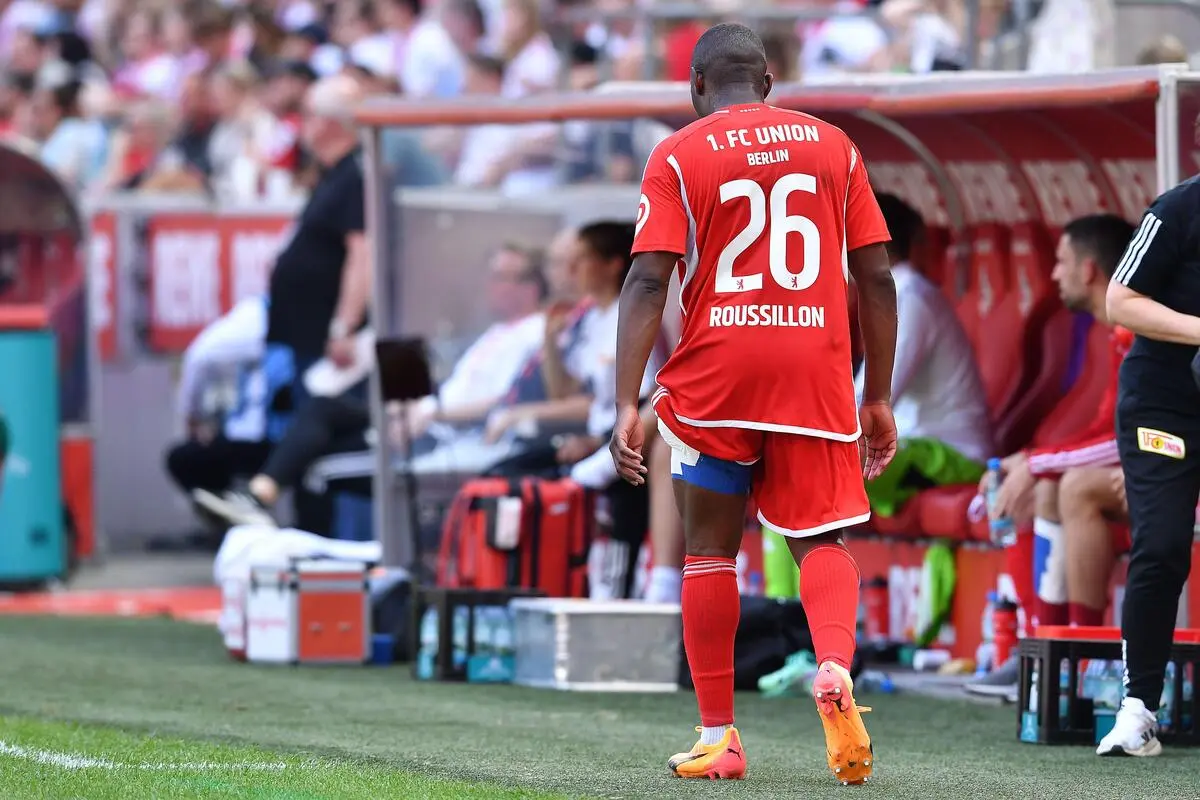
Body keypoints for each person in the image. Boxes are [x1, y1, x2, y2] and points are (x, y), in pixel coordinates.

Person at [610, 23, 898, 783]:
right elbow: (876, 277)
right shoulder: (834, 146)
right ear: (768, 83)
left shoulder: (678, 153)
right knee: (822, 541)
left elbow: (647, 280)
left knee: (709, 551)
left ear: (696, 88)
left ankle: (719, 738)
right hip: (813, 371)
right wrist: (878, 395)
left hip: (718, 375)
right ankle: (832, 666)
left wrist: (625, 403)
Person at [760, 192, 991, 598]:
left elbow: (867, 405)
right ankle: (786, 608)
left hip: (950, 457)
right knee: (791, 463)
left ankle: (794, 612)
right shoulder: (889, 293)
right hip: (912, 449)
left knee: (805, 468)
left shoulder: (910, 297)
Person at [964, 214, 1135, 700]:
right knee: (1043, 487)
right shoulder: (1115, 331)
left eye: (1061, 262)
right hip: (1150, 468)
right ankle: (1043, 651)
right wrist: (1032, 460)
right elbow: (1108, 428)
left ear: (1088, 269)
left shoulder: (1135, 327)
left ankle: (1081, 657)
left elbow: (1124, 439)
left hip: (1175, 472)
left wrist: (1036, 462)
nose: (1054, 274)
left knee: (1071, 484)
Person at [1098, 175, 1200, 757]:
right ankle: (1137, 709)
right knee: (1161, 544)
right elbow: (1119, 300)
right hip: (1164, 406)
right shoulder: (1178, 208)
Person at [167, 296, 284, 534]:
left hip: (293, 441)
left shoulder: (334, 314)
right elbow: (199, 356)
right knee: (185, 458)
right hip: (258, 440)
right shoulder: (260, 315)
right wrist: (193, 416)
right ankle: (230, 526)